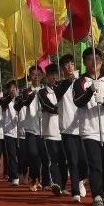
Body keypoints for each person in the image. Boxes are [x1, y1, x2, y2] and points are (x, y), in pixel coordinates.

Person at [73, 48, 104, 206]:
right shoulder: (80, 82)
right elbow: (78, 102)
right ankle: (97, 198)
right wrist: (90, 91)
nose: (94, 62)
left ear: (102, 60)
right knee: (95, 165)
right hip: (90, 130)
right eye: (90, 59)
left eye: (97, 59)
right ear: (85, 62)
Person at [56, 54, 86, 202]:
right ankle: (75, 191)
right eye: (66, 65)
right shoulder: (60, 85)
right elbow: (59, 93)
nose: (70, 67)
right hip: (68, 129)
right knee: (73, 161)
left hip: (84, 127)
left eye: (72, 64)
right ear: (63, 68)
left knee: (85, 161)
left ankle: (81, 180)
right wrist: (70, 80)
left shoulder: (81, 82)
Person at [37, 65, 64, 195]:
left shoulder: (61, 90)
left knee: (63, 160)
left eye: (56, 74)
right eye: (51, 74)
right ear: (46, 76)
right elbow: (48, 106)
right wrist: (63, 109)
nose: (54, 77)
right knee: (53, 159)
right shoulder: (42, 92)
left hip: (63, 130)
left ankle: (63, 185)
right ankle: (55, 183)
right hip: (50, 131)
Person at [14, 67, 43, 191]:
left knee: (42, 156)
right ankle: (34, 178)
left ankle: (40, 179)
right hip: (30, 127)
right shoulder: (26, 91)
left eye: (38, 74)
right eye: (33, 74)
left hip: (44, 128)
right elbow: (20, 104)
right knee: (33, 154)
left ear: (42, 75)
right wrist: (31, 94)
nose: (35, 76)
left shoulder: (45, 90)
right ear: (29, 76)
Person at [0, 82, 20, 185]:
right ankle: (15, 176)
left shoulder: (20, 99)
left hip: (20, 132)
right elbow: (3, 103)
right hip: (9, 132)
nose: (12, 90)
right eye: (10, 89)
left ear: (17, 88)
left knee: (21, 155)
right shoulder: (4, 100)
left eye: (14, 88)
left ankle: (16, 174)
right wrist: (11, 97)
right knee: (11, 155)